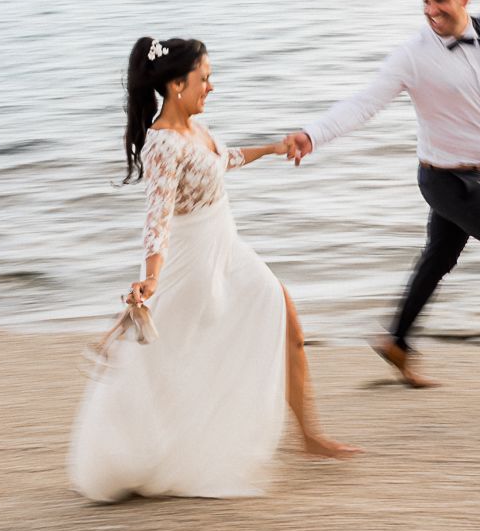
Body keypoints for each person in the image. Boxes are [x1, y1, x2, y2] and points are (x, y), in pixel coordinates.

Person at [69, 37, 358, 503]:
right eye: (204, 78)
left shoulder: (195, 129)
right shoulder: (163, 142)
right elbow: (157, 216)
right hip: (192, 259)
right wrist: (152, 276)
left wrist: (276, 147)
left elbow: (224, 158)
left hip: (229, 247)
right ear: (177, 84)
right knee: (169, 362)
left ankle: (310, 436)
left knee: (287, 323)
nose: (211, 85)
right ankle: (135, 449)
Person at [283, 0, 480, 384]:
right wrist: (312, 135)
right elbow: (363, 103)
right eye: (425, 1)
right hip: (447, 182)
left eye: (440, 0)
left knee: (439, 258)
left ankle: (397, 342)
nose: (431, 10)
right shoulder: (413, 55)